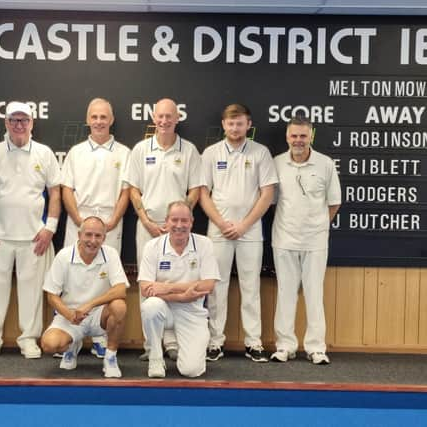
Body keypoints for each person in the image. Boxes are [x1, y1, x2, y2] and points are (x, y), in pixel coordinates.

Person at [0, 101, 61, 359]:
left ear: (32, 123)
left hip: (35, 236)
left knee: (31, 290)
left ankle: (29, 339)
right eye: (14, 120)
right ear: (6, 123)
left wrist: (50, 229)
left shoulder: (44, 153)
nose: (19, 125)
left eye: (24, 120)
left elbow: (55, 193)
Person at [125, 98, 204, 361]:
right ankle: (152, 345)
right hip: (147, 226)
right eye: (160, 116)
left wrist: (177, 220)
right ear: (153, 117)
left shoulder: (189, 150)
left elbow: (195, 189)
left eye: (169, 116)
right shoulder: (140, 149)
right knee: (149, 284)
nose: (164, 121)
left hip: (179, 228)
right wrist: (146, 220)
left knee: (174, 282)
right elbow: (133, 189)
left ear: (177, 118)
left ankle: (172, 342)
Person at [200, 104, 278, 363]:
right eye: (231, 123)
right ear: (223, 124)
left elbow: (267, 194)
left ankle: (253, 343)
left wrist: (243, 224)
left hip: (250, 231)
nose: (235, 128)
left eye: (240, 123)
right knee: (216, 287)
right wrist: (222, 223)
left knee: (251, 286)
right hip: (218, 231)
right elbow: (202, 193)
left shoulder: (261, 153)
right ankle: (215, 342)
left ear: (248, 124)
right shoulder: (210, 153)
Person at [60, 98, 130, 358]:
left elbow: (126, 191)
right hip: (78, 221)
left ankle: (101, 337)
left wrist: (113, 220)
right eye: (94, 117)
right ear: (88, 120)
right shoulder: (76, 152)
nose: (99, 121)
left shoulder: (124, 152)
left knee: (106, 280)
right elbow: (66, 189)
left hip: (111, 223)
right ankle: (72, 335)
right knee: (72, 279)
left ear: (111, 120)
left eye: (104, 117)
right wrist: (79, 220)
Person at [271, 116, 341, 365]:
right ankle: (285, 346)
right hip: (284, 239)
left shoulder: (325, 164)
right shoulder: (277, 163)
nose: (298, 141)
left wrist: (318, 226)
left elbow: (334, 203)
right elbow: (270, 199)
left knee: (314, 293)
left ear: (311, 136)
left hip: (315, 242)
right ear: (287, 137)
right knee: (285, 294)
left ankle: (316, 348)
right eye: (294, 136)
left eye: (303, 136)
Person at [139, 201, 220, 378]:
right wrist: (184, 295)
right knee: (150, 306)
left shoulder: (204, 244)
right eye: (174, 220)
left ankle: (178, 343)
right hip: (164, 308)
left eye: (184, 221)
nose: (179, 225)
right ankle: (156, 358)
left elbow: (208, 285)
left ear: (192, 221)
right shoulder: (152, 246)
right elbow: (146, 289)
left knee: (192, 371)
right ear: (166, 221)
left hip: (192, 312)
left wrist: (167, 287)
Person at [41, 216, 129, 378]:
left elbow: (121, 290)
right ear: (79, 235)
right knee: (49, 345)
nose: (93, 240)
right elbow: (51, 295)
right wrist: (69, 314)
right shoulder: (64, 256)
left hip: (99, 315)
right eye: (88, 235)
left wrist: (89, 305)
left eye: (98, 236)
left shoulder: (111, 253)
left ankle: (110, 358)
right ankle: (72, 346)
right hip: (70, 315)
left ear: (104, 237)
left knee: (119, 306)